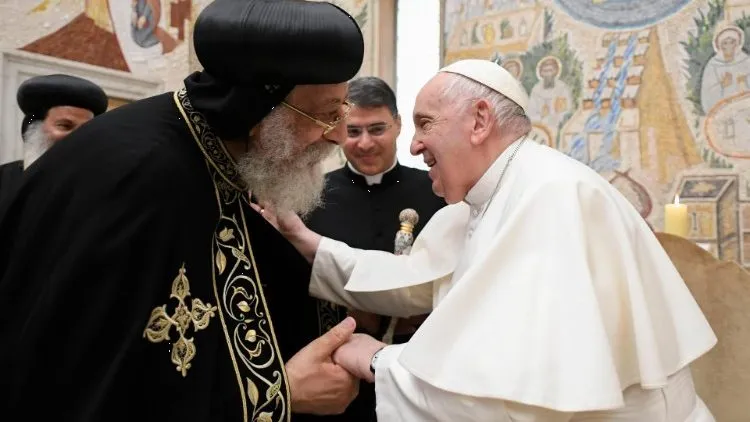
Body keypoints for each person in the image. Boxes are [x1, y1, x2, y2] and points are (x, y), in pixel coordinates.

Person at [265, 59, 718, 421]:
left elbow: (509, 401)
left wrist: (378, 361)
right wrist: (305, 241)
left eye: (425, 124)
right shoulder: (490, 194)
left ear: (480, 120)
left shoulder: (551, 197)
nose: (415, 145)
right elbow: (414, 278)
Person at [0, 1, 366, 421]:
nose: (339, 135)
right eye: (326, 114)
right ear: (257, 107)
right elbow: (89, 387)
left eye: (343, 109)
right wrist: (278, 394)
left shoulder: (219, 155)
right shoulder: (140, 179)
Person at [304, 76, 446, 421]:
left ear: (398, 125)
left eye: (377, 129)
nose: (365, 143)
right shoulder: (310, 196)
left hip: (418, 368)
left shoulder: (438, 191)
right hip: (337, 372)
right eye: (353, 131)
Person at [0, 73, 107, 209]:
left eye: (86, 129)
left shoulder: (102, 188)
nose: (78, 136)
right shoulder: (3, 181)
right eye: (65, 126)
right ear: (34, 128)